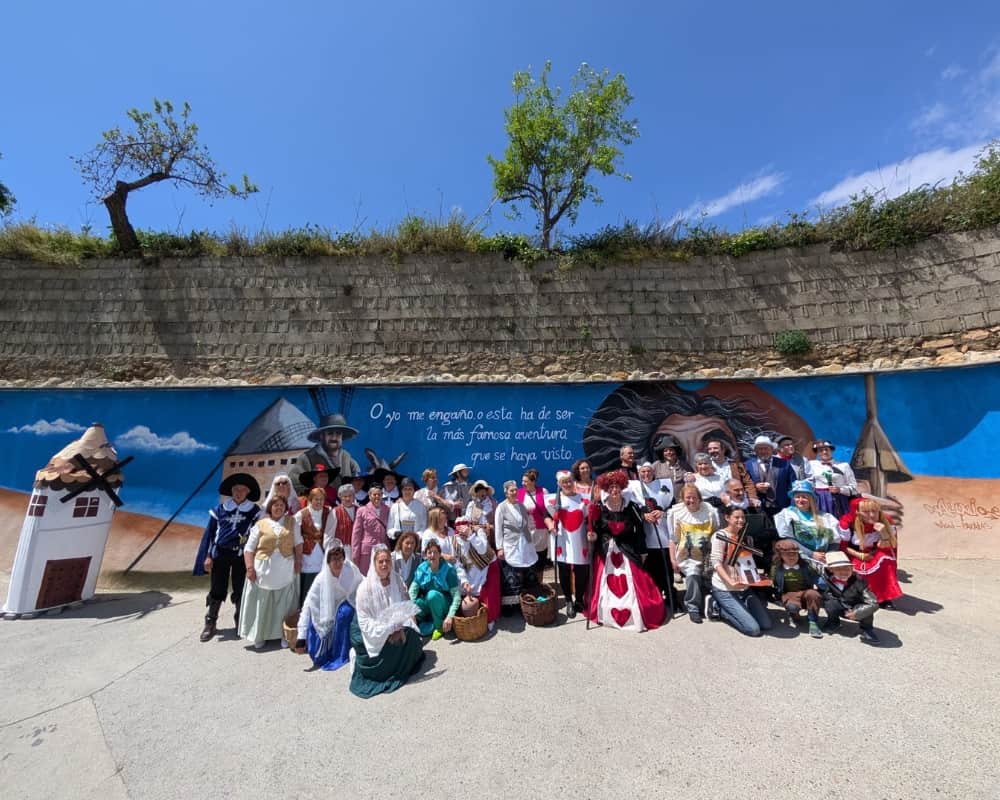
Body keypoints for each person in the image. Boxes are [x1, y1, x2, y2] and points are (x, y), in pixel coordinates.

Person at [586, 470, 665, 631]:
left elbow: (640, 531)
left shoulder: (631, 507)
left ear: (622, 488)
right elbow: (595, 529)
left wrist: (642, 551)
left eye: (617, 487)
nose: (614, 490)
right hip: (606, 552)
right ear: (606, 490)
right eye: (611, 488)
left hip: (628, 550)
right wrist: (592, 535)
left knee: (638, 581)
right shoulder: (600, 508)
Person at [194, 473, 263, 642]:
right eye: (236, 489)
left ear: (248, 492)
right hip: (221, 554)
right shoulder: (220, 510)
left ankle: (240, 622)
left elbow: (258, 536)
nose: (239, 492)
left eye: (242, 490)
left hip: (241, 556)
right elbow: (210, 535)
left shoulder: (254, 511)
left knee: (240, 589)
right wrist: (208, 556)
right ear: (231, 491)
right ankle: (210, 623)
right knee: (217, 589)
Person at [350, 544, 425, 698]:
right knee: (388, 650)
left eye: (387, 561)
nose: (385, 564)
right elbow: (365, 622)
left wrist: (402, 627)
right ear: (374, 564)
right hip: (375, 631)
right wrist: (388, 631)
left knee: (411, 636)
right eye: (381, 561)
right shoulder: (364, 589)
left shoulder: (396, 579)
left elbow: (405, 603)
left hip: (398, 627)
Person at [239, 495, 302, 649]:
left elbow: (298, 543)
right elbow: (248, 549)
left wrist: (298, 561)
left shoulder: (292, 522)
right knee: (262, 605)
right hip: (264, 570)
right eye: (275, 505)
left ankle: (283, 635)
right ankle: (260, 635)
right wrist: (249, 568)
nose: (278, 508)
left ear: (285, 507)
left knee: (285, 605)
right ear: (270, 508)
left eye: (281, 505)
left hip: (285, 568)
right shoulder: (260, 525)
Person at [295, 542, 363, 670]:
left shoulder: (350, 569)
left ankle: (342, 651)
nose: (337, 562)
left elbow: (363, 582)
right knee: (319, 657)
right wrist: (301, 637)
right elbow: (308, 606)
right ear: (328, 561)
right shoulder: (321, 579)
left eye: (340, 558)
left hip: (344, 608)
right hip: (325, 614)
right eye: (334, 559)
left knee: (346, 613)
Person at [710, 506, 774, 637]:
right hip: (725, 588)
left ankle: (741, 607)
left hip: (744, 588)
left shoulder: (746, 537)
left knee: (766, 625)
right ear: (727, 518)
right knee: (753, 629)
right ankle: (717, 607)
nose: (741, 520)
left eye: (743, 517)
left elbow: (749, 562)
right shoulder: (720, 536)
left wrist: (759, 577)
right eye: (736, 517)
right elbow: (716, 563)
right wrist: (730, 581)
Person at [666, 484, 720, 623]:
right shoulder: (677, 513)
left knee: (711, 577)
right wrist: (672, 559)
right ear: (683, 498)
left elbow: (716, 534)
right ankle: (693, 607)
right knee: (693, 575)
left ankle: (711, 604)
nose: (691, 500)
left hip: (708, 554)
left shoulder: (710, 511)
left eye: (694, 497)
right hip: (687, 555)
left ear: (699, 498)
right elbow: (673, 539)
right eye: (687, 497)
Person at [839, 497, 902, 608]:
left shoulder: (886, 521)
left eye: (874, 511)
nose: (872, 515)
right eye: (866, 512)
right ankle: (860, 596)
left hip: (875, 552)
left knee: (885, 560)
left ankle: (883, 597)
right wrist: (860, 555)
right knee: (857, 571)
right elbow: (843, 547)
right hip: (853, 554)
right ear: (857, 512)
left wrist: (883, 533)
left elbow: (889, 547)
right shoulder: (847, 523)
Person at [545, 470, 591, 619]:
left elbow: (589, 518)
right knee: (564, 570)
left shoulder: (583, 499)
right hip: (562, 540)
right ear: (559, 484)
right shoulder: (553, 500)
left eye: (570, 481)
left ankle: (579, 600)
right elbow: (546, 516)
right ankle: (568, 600)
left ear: (574, 482)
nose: (567, 484)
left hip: (579, 539)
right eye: (564, 482)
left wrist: (591, 531)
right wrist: (550, 524)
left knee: (581, 570)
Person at [627, 462, 675, 599]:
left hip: (664, 532)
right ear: (639, 474)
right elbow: (631, 510)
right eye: (643, 472)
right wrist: (643, 516)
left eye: (649, 471)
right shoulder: (634, 488)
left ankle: (670, 594)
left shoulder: (664, 485)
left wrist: (663, 513)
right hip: (646, 535)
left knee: (666, 565)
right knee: (652, 567)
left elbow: (673, 506)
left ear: (653, 473)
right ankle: (656, 595)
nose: (646, 474)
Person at [493, 479, 539, 612]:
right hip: (511, 544)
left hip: (525, 544)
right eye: (511, 490)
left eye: (515, 490)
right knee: (512, 575)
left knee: (528, 570)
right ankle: (511, 605)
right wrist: (499, 548)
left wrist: (531, 537)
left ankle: (528, 601)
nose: (514, 492)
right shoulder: (501, 508)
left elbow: (527, 523)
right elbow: (498, 529)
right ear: (506, 493)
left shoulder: (521, 505)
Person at [774, 480, 843, 567]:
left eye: (804, 497)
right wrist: (811, 554)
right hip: (800, 560)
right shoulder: (787, 514)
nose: (800, 500)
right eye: (797, 497)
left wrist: (828, 557)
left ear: (811, 499)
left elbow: (835, 542)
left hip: (824, 560)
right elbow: (788, 540)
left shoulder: (826, 517)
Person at [289, 412, 361, 496]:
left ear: (342, 436)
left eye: (338, 433)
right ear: (321, 436)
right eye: (330, 433)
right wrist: (315, 496)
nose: (334, 438)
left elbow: (358, 480)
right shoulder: (308, 458)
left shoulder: (347, 458)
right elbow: (294, 483)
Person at [820, 551, 880, 644]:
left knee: (868, 608)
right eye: (838, 569)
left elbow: (873, 602)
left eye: (847, 568)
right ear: (831, 569)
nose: (843, 572)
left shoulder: (859, 581)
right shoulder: (827, 578)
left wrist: (857, 613)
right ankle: (834, 622)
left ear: (852, 568)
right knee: (829, 602)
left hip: (856, 607)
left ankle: (866, 629)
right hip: (840, 604)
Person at [453, 516, 501, 630]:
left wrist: (471, 536)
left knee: (488, 592)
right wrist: (464, 581)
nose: (462, 531)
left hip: (488, 565)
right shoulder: (455, 540)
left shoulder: (479, 532)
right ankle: (474, 618)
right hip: (471, 569)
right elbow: (458, 564)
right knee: (468, 591)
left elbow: (482, 549)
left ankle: (490, 619)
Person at [770, 539, 825, 638]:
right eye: (787, 554)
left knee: (813, 594)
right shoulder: (777, 568)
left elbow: (815, 576)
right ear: (780, 555)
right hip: (788, 594)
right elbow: (772, 581)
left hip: (805, 591)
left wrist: (822, 585)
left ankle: (813, 621)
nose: (792, 557)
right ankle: (794, 615)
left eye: (794, 554)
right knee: (792, 607)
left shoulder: (806, 566)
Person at [409, 538, 462, 640]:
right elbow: (412, 591)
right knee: (417, 603)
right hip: (429, 602)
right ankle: (426, 622)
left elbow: (456, 596)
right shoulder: (422, 568)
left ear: (440, 554)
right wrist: (410, 612)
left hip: (444, 604)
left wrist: (450, 616)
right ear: (425, 555)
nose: (432, 555)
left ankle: (439, 626)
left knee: (432, 595)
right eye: (429, 552)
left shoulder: (448, 569)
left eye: (435, 552)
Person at [294, 487, 334, 604]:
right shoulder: (301, 514)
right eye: (316, 499)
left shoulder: (329, 511)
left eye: (321, 499)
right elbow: (296, 536)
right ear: (310, 500)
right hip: (307, 553)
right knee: (308, 583)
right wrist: (298, 556)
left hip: (323, 552)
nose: (319, 502)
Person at [743, 436, 793, 517]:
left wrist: (792, 506)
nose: (763, 451)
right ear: (755, 450)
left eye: (766, 448)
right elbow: (744, 485)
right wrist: (755, 487)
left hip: (783, 509)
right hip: (758, 509)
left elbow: (792, 486)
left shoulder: (784, 464)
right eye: (760, 448)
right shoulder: (747, 465)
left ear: (772, 449)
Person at [809, 440, 859, 518]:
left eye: (827, 449)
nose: (824, 452)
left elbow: (854, 488)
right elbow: (809, 481)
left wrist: (840, 489)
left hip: (839, 501)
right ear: (818, 452)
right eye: (821, 450)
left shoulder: (843, 466)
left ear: (832, 450)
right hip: (820, 501)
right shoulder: (812, 465)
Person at [518, 469, 550, 583]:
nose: (523, 483)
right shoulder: (519, 493)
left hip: (540, 531)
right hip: (525, 532)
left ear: (533, 482)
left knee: (540, 559)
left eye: (526, 481)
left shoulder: (543, 491)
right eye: (522, 481)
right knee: (525, 559)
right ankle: (527, 585)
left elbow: (548, 510)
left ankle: (539, 584)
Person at [351, 484, 389, 575]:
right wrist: (355, 553)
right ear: (369, 496)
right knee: (366, 576)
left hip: (383, 549)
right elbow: (356, 534)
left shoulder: (388, 509)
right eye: (374, 494)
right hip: (367, 551)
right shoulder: (362, 510)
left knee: (381, 575)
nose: (377, 497)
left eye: (379, 494)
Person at [387, 477, 428, 548]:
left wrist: (415, 536)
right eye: (405, 489)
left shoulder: (421, 507)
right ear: (401, 490)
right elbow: (389, 529)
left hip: (415, 544)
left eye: (410, 489)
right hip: (399, 543)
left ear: (414, 491)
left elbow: (424, 527)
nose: (407, 491)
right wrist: (395, 533)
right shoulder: (395, 506)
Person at [651, 433, 691, 499]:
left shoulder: (684, 465)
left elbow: (692, 479)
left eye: (671, 450)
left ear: (676, 451)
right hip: (663, 501)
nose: (669, 452)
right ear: (662, 453)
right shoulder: (656, 465)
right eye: (665, 451)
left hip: (682, 500)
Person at [330, 483, 358, 558]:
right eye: (345, 496)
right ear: (340, 497)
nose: (348, 499)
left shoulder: (359, 510)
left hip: (357, 549)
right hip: (341, 549)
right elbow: (329, 534)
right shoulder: (335, 512)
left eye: (350, 496)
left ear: (353, 496)